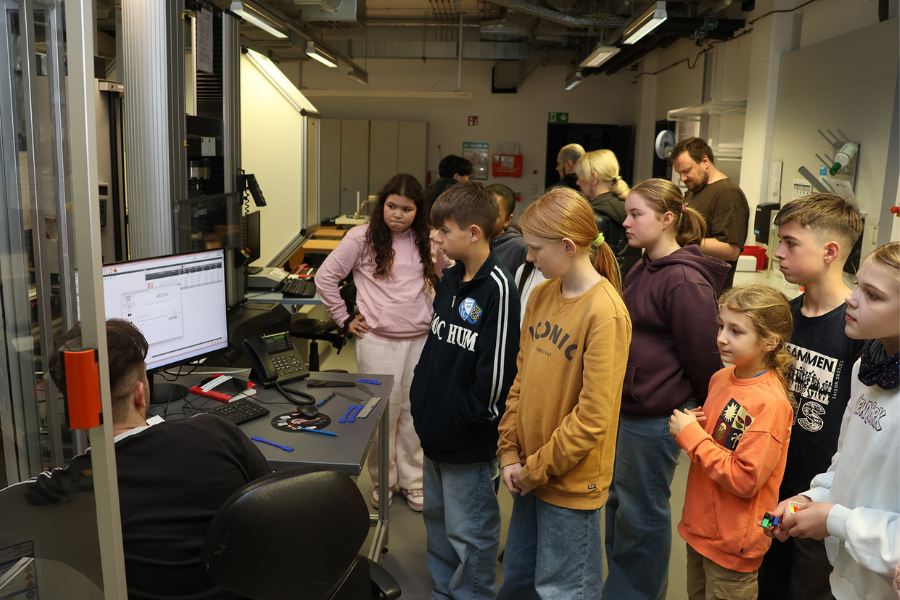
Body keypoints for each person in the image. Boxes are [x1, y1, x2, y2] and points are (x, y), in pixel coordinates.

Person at [26, 319, 272, 600]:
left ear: (73, 406)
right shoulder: (216, 434)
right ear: (140, 394)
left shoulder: (66, 489)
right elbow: (276, 510)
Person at [496, 187, 632, 599]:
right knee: (519, 578)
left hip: (567, 485)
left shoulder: (605, 313)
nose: (529, 257)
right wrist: (509, 453)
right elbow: (519, 381)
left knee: (562, 589)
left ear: (569, 246)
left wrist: (532, 470)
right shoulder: (540, 293)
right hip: (528, 473)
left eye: (536, 248)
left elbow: (592, 419)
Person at [603, 178, 729, 600]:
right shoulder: (644, 265)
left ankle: (636, 594)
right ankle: (620, 589)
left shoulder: (683, 280)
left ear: (668, 218)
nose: (626, 222)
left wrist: (699, 411)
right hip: (628, 407)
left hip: (656, 415)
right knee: (620, 508)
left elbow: (704, 360)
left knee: (640, 516)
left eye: (636, 214)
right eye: (628, 213)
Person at [764, 242, 899, 600]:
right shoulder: (866, 367)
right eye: (858, 286)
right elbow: (847, 463)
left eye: (873, 295)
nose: (852, 299)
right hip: (848, 575)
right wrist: (811, 499)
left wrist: (835, 520)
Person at [410, 181, 520, 600]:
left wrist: (462, 419)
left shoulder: (498, 287)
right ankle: (443, 591)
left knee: (470, 534)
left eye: (444, 230)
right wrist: (424, 407)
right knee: (437, 525)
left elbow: (495, 376)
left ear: (474, 233)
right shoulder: (452, 277)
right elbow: (437, 348)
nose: (435, 237)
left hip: (466, 440)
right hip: (434, 433)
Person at [316, 174, 452, 512]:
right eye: (392, 206)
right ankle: (384, 481)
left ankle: (413, 481)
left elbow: (448, 272)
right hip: (379, 342)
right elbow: (325, 277)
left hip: (421, 341)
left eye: (407, 209)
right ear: (382, 204)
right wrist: (344, 318)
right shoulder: (361, 237)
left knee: (414, 413)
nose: (397, 214)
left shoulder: (428, 238)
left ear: (418, 211)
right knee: (382, 415)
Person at [759, 194, 866, 600]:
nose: (778, 254)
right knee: (767, 580)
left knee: (808, 587)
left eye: (789, 243)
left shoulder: (857, 330)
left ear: (829, 252)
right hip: (774, 486)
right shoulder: (783, 317)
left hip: (820, 498)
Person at [670, 284, 795, 600]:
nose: (721, 338)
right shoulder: (721, 378)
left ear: (770, 342)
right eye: (721, 326)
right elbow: (722, 442)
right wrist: (700, 426)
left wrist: (693, 438)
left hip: (732, 546)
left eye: (736, 331)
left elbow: (746, 478)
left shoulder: (770, 403)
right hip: (701, 531)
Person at [670, 137, 750, 291]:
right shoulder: (695, 189)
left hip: (707, 290)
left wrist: (681, 240)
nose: (682, 178)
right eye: (679, 173)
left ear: (704, 161)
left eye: (686, 171)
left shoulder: (728, 193)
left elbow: (731, 250)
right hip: (686, 283)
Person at [574, 149, 642, 277]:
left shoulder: (595, 215)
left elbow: (588, 266)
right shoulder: (631, 210)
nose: (577, 182)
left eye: (580, 177)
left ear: (594, 178)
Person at [485, 183, 528, 276]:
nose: (485, 219)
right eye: (481, 211)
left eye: (494, 215)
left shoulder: (519, 247)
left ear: (507, 220)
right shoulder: (471, 239)